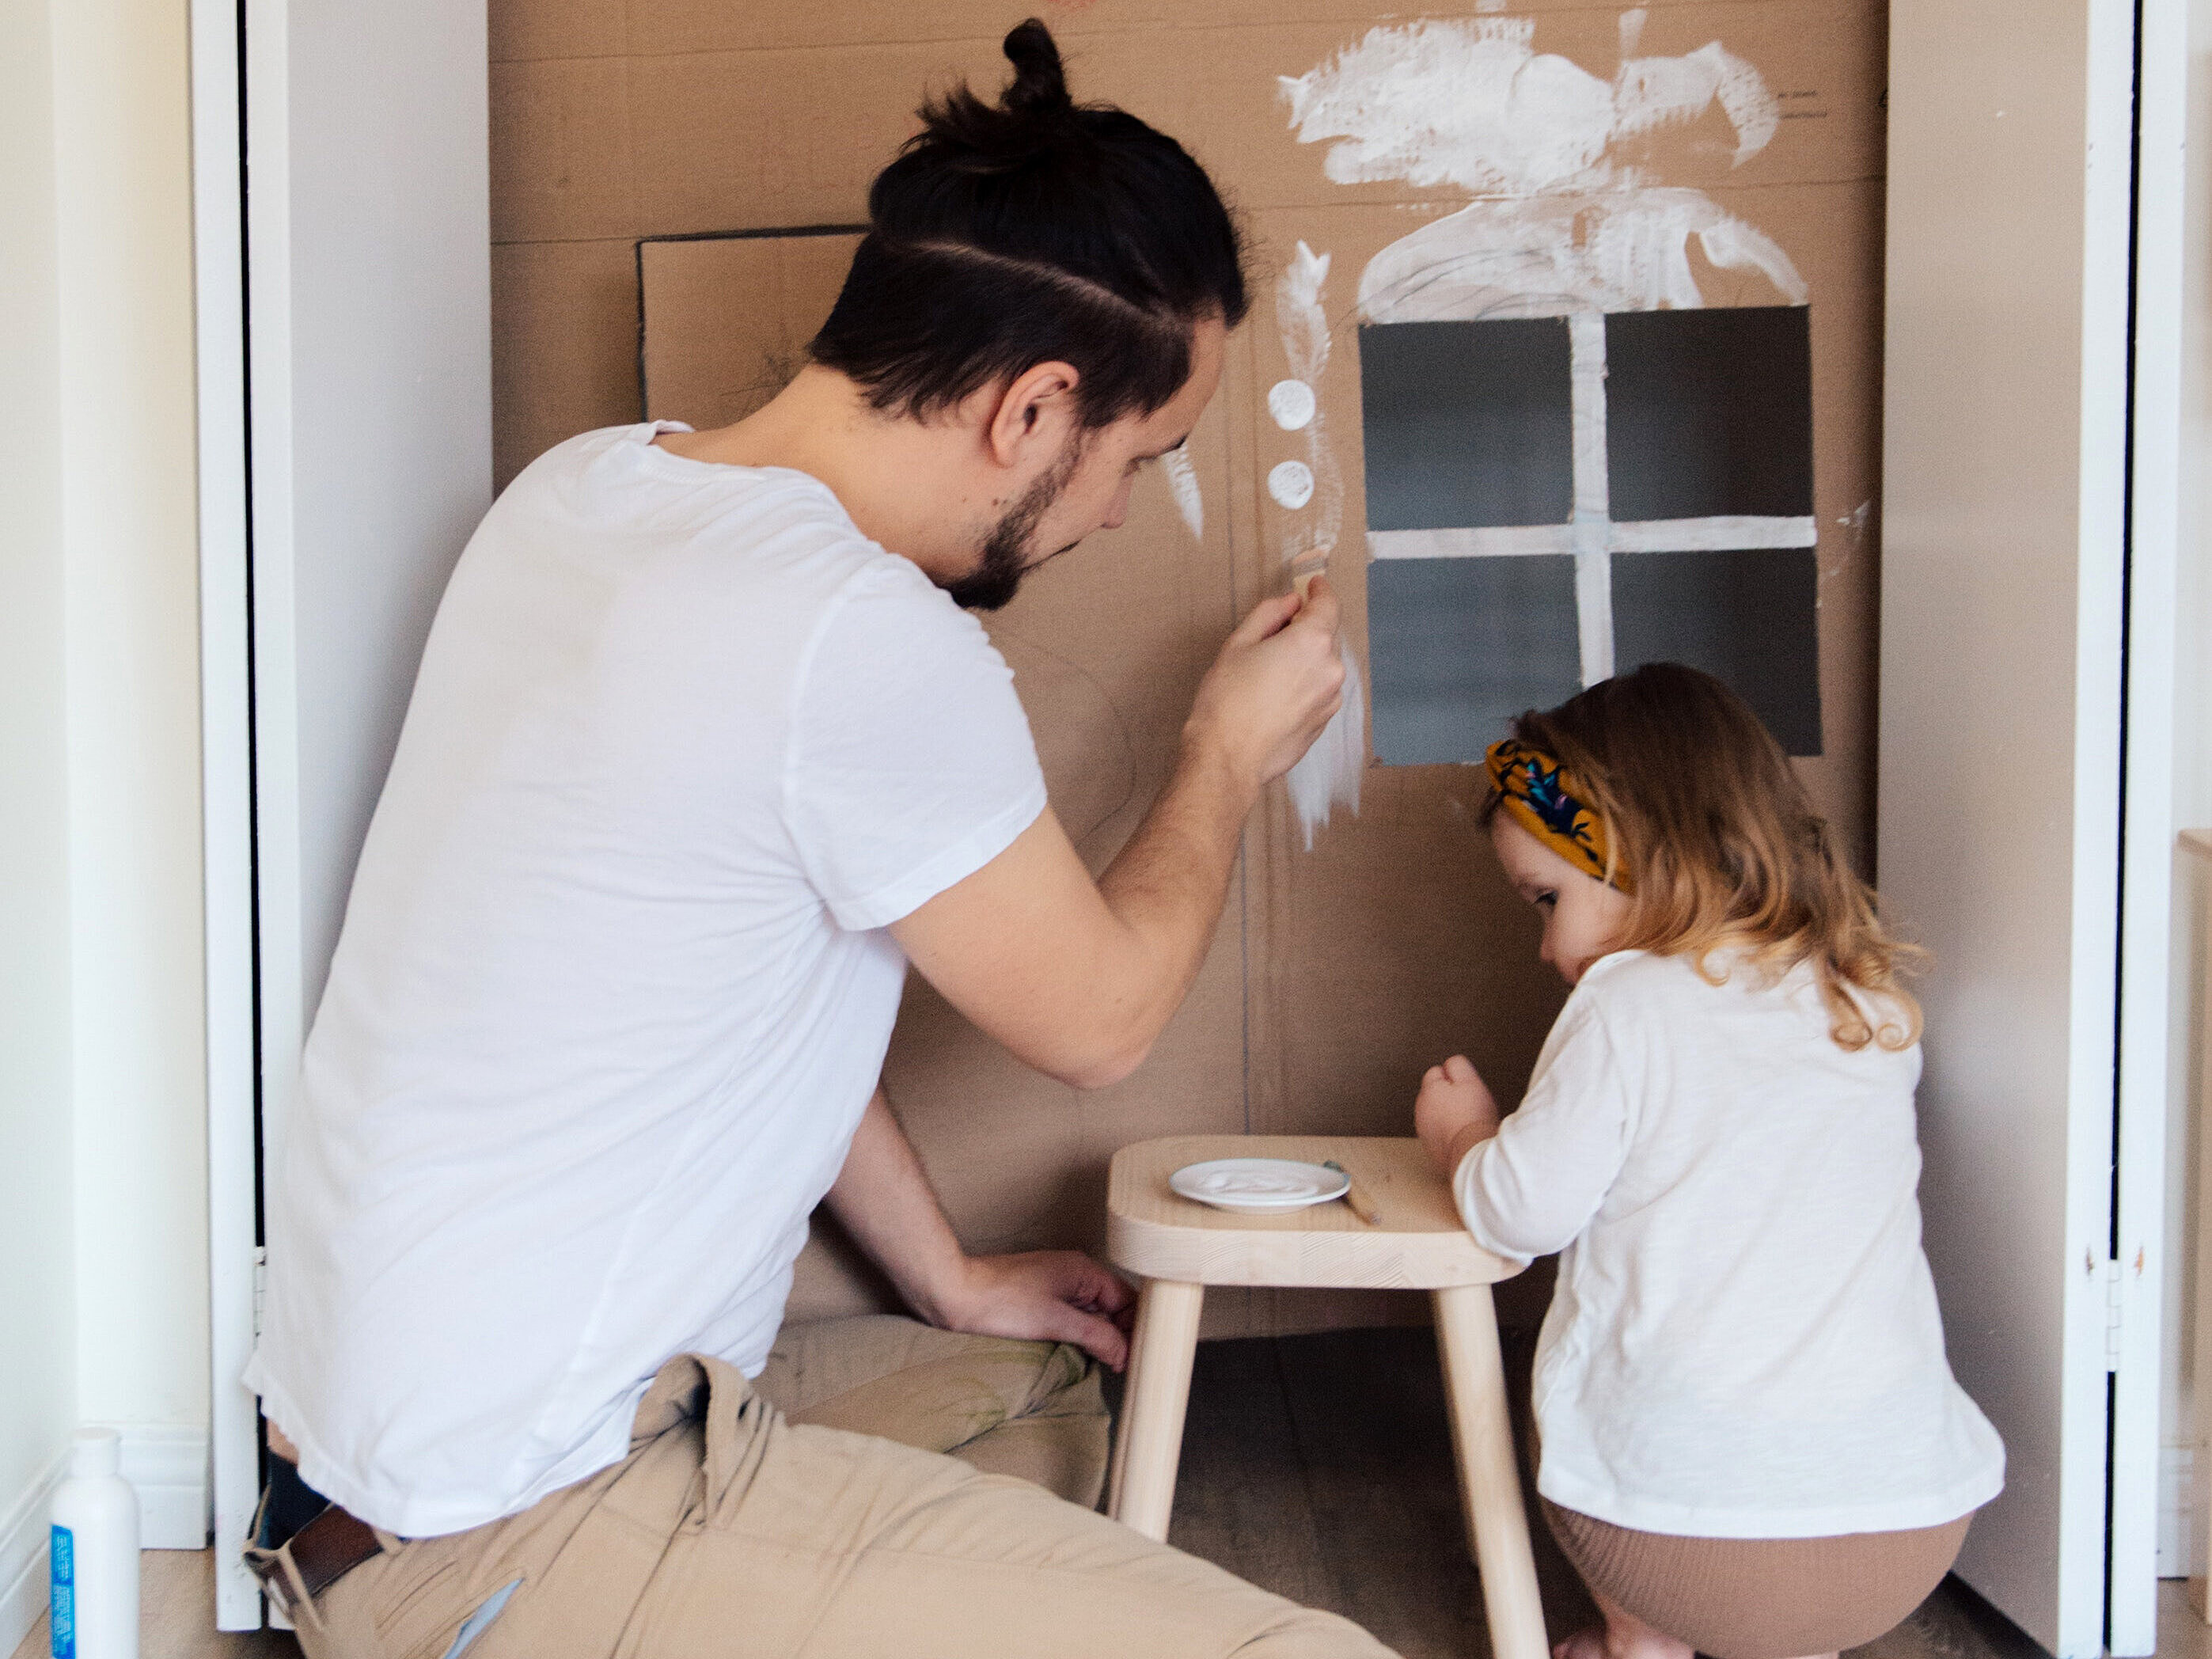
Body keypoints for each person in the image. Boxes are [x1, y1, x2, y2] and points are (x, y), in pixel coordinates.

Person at [241, 21, 1393, 1659]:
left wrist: (947, 1273)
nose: (1116, 512)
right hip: (512, 1523)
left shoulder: (588, 494)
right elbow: (1104, 1019)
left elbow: (734, 979)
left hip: (359, 1463)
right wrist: (1223, 750)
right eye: (1132, 460)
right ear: (1034, 409)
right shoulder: (853, 639)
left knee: (1045, 1385)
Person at [1412, 664, 2005, 1659]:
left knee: (1572, 1385)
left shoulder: (1622, 1003)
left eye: (1545, 898)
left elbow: (1521, 1213)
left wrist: (1465, 1136)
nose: (1544, 944)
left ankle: (1639, 1635)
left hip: (1687, 1544)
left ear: (1644, 855)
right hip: (1906, 1533)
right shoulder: (1867, 1003)